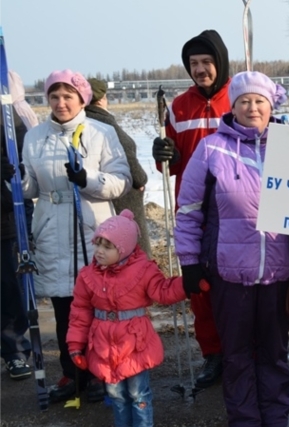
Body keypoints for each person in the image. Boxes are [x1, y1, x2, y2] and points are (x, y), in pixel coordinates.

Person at [174, 71, 289, 426]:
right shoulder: (211, 148)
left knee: (274, 355)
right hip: (229, 272)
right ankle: (244, 420)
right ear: (233, 106)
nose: (252, 107)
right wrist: (190, 261)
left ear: (270, 105)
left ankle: (276, 418)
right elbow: (190, 209)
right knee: (237, 356)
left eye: (259, 101)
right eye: (244, 101)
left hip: (278, 271)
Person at [21, 69, 131, 403]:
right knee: (64, 309)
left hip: (91, 226)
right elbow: (30, 188)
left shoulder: (101, 132)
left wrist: (87, 178)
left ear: (81, 97)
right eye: (54, 96)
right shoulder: (34, 137)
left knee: (98, 306)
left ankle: (101, 371)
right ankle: (73, 372)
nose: (60, 102)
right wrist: (14, 179)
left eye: (67, 95)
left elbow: (120, 181)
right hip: (52, 228)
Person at [151, 29, 230, 389]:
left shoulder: (241, 97)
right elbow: (170, 164)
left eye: (206, 62)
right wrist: (164, 155)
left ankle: (244, 352)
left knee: (241, 285)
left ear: (221, 62)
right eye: (194, 64)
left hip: (236, 209)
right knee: (200, 287)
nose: (200, 69)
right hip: (194, 211)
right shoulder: (180, 106)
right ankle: (213, 354)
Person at [67, 209, 185, 427]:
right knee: (116, 395)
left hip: (134, 344)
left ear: (123, 249)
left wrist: (188, 283)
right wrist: (75, 344)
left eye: (107, 246)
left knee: (138, 394)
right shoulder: (87, 275)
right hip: (103, 344)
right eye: (98, 244)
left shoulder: (143, 270)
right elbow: (80, 311)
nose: (99, 251)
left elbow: (163, 291)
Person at [85, 78, 151, 258]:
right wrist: (141, 179)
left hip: (96, 201)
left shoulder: (82, 123)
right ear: (102, 99)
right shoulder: (106, 124)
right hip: (122, 199)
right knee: (131, 253)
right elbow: (130, 160)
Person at [1, 108, 32, 381]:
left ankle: (14, 351)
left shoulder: (7, 116)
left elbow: (25, 166)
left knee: (9, 290)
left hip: (3, 221)